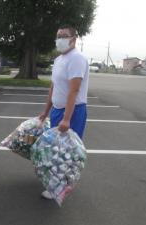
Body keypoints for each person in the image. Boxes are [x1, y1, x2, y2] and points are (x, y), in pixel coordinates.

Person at [39, 25, 89, 199]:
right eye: (58, 35)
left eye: (64, 35)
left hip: (73, 112)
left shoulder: (77, 58)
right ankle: (59, 182)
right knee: (56, 149)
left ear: (74, 39)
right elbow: (54, 87)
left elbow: (73, 91)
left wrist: (67, 119)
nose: (60, 39)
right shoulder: (59, 59)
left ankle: (62, 187)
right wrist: (46, 112)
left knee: (68, 150)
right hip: (57, 110)